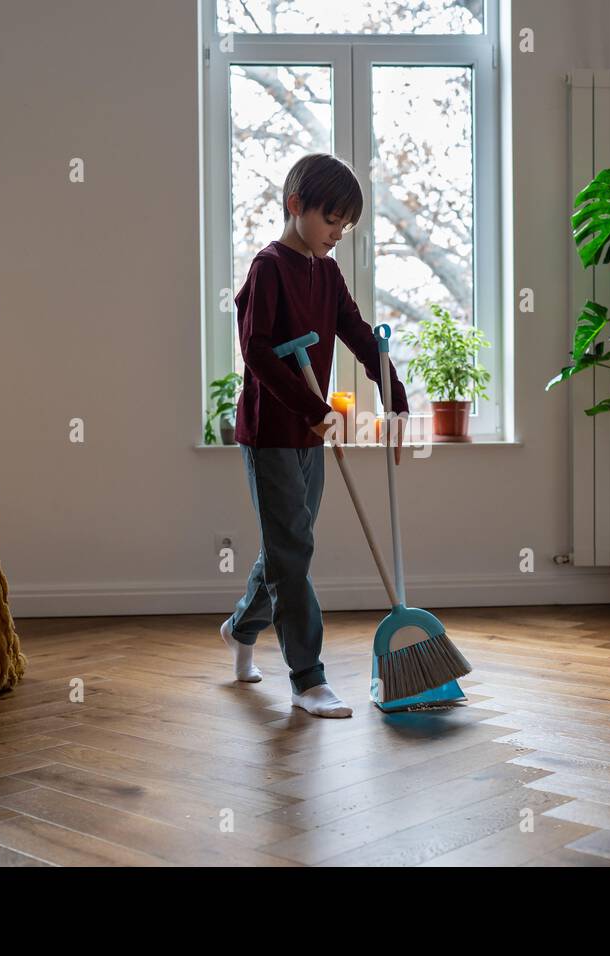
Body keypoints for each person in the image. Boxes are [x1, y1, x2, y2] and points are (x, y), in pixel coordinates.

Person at [221, 153, 410, 718]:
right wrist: (312, 408)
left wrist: (394, 398)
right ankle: (307, 678)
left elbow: (356, 332)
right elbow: (256, 352)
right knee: (293, 549)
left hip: (310, 434)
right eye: (332, 220)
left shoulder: (326, 274)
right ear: (296, 205)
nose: (337, 235)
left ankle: (239, 628)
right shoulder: (268, 267)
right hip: (273, 433)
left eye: (346, 227)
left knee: (287, 548)